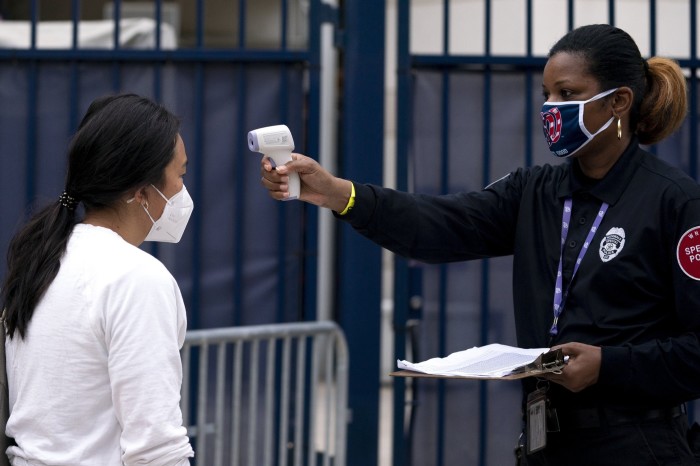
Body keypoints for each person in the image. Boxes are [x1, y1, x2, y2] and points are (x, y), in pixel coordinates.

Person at [260, 24, 700, 466]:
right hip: (548, 443)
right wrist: (337, 193)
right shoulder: (535, 191)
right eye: (546, 94)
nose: (551, 108)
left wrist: (609, 365)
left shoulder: (675, 202)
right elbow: (437, 226)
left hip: (638, 445)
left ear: (618, 101)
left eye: (567, 94)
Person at [0, 93, 195, 465]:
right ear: (141, 192)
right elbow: (156, 447)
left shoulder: (46, 258)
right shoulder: (137, 279)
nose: (182, 191)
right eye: (180, 174)